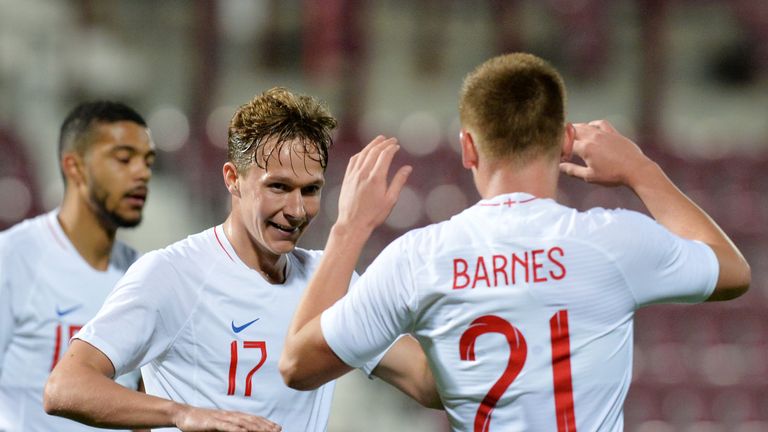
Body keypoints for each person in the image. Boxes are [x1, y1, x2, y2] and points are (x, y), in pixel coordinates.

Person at [279, 53, 752, 431]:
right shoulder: (613, 241)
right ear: (566, 140)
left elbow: (298, 364)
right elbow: (732, 272)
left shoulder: (419, 260)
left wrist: (348, 230)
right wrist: (640, 171)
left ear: (467, 146)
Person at [44, 87, 439, 432]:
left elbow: (423, 381)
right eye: (279, 187)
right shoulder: (172, 274)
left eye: (310, 189)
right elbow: (65, 387)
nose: (297, 210)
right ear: (233, 179)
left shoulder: (329, 280)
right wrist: (182, 414)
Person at [0, 100, 155, 432]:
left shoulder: (143, 276)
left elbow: (145, 403)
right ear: (75, 167)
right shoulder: (13, 258)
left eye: (148, 161)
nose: (142, 173)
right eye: (124, 158)